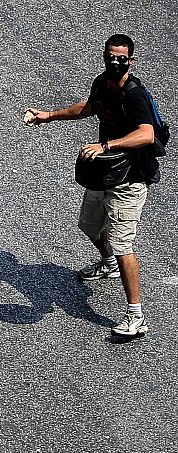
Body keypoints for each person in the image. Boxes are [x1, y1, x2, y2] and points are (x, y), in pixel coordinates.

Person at [26, 34, 161, 336]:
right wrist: (48, 116)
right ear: (104, 56)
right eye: (110, 56)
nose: (115, 62)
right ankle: (108, 263)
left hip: (131, 178)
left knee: (122, 242)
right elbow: (89, 107)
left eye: (121, 58)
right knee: (89, 226)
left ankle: (136, 316)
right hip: (106, 173)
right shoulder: (103, 82)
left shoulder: (134, 94)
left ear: (131, 61)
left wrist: (106, 145)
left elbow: (146, 135)